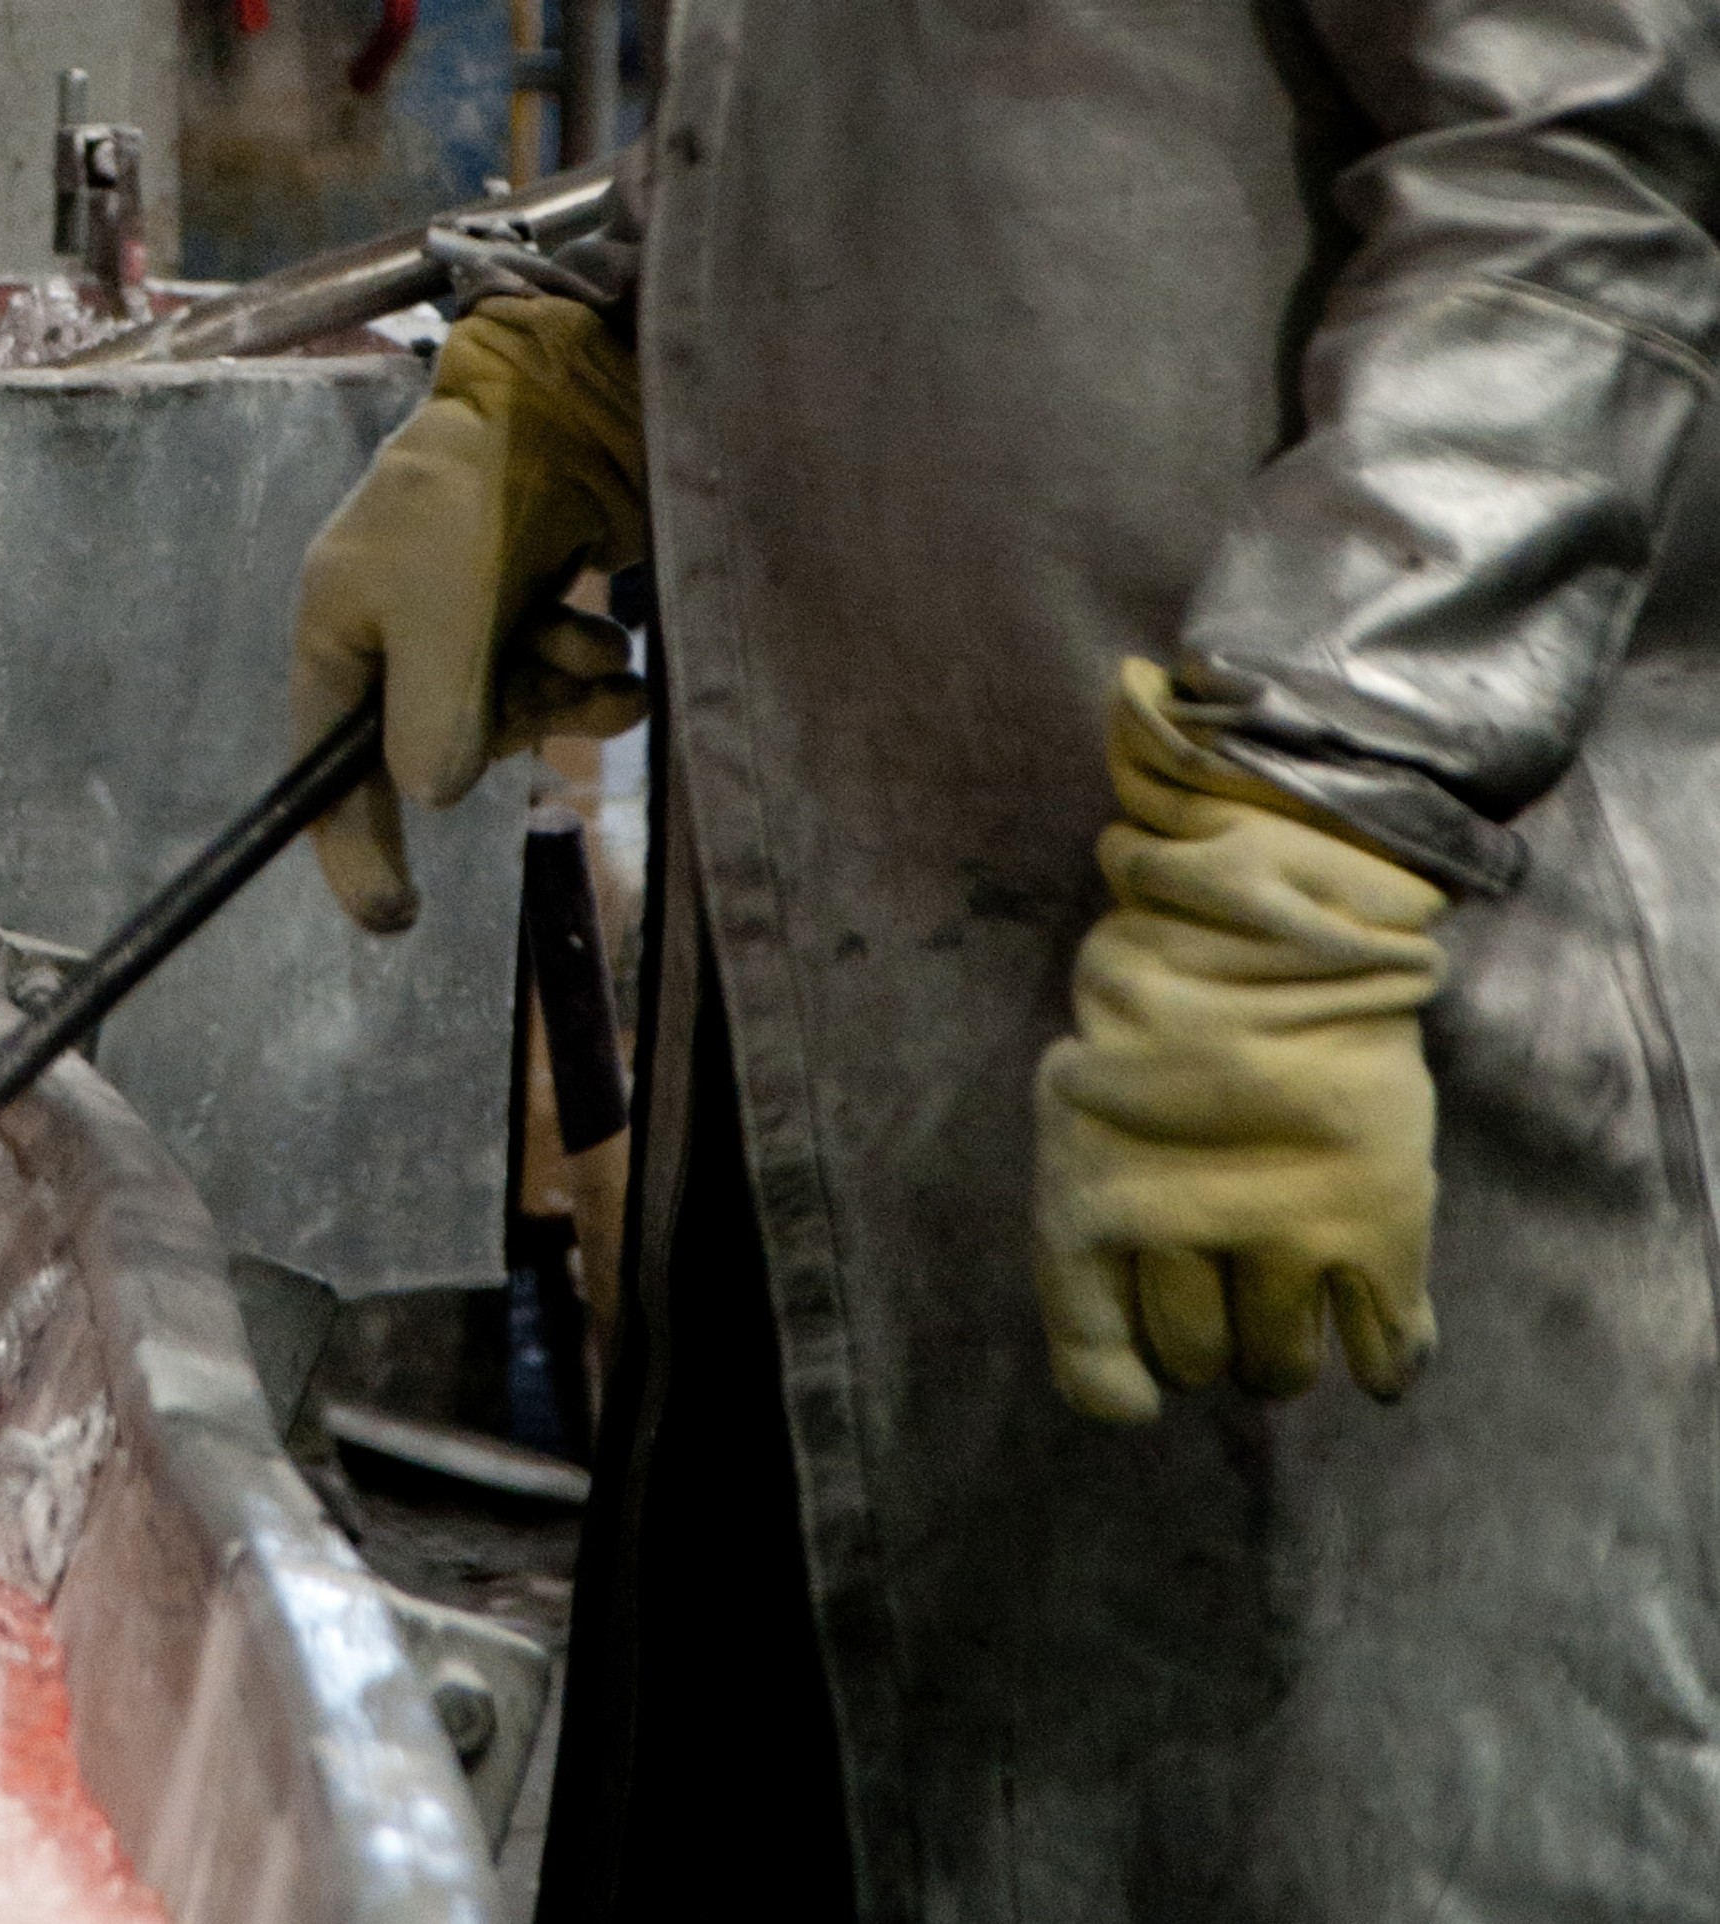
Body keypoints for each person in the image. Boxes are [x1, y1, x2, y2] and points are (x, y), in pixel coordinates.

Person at [288, 3, 1720, 1916]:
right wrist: (587, 365)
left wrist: (1322, 830)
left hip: (1306, 1050)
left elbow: (1585, 174)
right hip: (868, 1086)